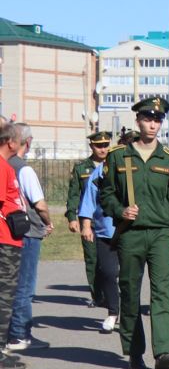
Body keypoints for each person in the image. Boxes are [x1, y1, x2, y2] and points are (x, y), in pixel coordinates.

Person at [96, 98, 169, 369]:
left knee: (163, 293)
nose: (153, 124)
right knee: (130, 293)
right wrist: (120, 210)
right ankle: (135, 351)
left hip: (161, 234)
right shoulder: (118, 156)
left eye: (158, 120)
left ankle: (164, 352)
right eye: (148, 119)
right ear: (137, 120)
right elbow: (106, 193)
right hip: (130, 235)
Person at [5, 125, 52, 351]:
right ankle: (19, 334)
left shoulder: (6, 165)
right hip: (28, 231)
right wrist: (48, 221)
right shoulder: (24, 169)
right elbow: (40, 204)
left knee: (11, 284)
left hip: (10, 231)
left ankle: (11, 332)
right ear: (28, 141)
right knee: (25, 285)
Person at [76, 146, 122, 335]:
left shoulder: (137, 169)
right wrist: (86, 225)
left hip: (132, 232)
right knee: (108, 272)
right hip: (105, 231)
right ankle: (113, 312)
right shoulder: (102, 169)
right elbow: (89, 197)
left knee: (129, 276)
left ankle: (128, 315)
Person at [65, 131, 113, 308]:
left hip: (110, 221)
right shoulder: (82, 168)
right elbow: (74, 195)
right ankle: (98, 295)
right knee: (93, 259)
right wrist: (72, 217)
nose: (103, 149)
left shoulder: (115, 165)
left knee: (111, 262)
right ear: (92, 146)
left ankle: (111, 293)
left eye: (106, 145)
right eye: (99, 146)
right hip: (89, 222)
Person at [0, 124, 24, 369]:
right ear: (11, 143)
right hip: (4, 242)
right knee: (4, 298)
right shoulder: (1, 166)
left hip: (10, 239)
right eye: (20, 140)